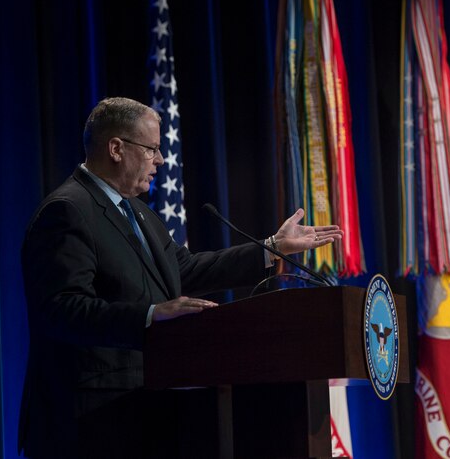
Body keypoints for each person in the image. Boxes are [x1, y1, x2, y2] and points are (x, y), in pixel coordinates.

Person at [18, 97, 342, 458]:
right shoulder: (68, 211)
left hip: (146, 412)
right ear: (115, 149)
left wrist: (269, 248)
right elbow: (61, 311)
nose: (159, 161)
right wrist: (151, 316)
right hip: (86, 424)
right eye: (152, 149)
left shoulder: (139, 214)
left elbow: (184, 269)